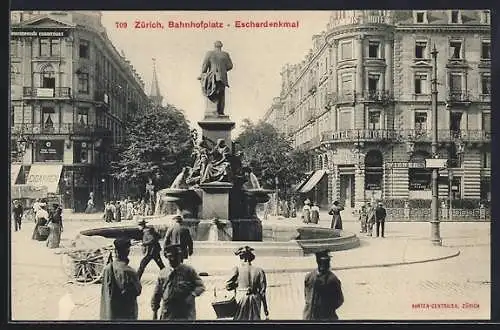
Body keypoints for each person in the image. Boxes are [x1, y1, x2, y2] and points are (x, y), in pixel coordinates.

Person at [151, 244, 206, 320]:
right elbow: (157, 293)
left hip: (185, 310)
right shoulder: (163, 273)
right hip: (168, 311)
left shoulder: (188, 271)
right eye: (170, 256)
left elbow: (200, 286)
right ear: (166, 257)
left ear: (180, 257)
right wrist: (155, 312)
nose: (173, 259)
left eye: (176, 256)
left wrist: (192, 295)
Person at [100, 237, 142, 320]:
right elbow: (137, 291)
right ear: (128, 251)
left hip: (109, 314)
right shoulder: (129, 271)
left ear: (115, 251)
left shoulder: (107, 268)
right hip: (125, 315)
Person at [225, 246, 269, 320]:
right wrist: (265, 308)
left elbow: (228, 286)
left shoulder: (237, 269)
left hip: (241, 297)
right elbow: (263, 292)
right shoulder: (259, 271)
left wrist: (236, 284)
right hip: (255, 298)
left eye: (240, 258)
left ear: (244, 258)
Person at [303, 250, 344, 320]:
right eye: (323, 262)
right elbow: (306, 296)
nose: (327, 265)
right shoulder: (309, 277)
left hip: (326, 317)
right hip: (309, 316)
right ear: (318, 262)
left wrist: (327, 308)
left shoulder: (332, 279)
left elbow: (339, 300)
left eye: (327, 262)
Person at [199, 40, 233, 116]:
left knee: (212, 93)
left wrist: (202, 74)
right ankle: (220, 112)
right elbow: (230, 66)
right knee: (221, 94)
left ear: (214, 46)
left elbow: (205, 65)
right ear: (221, 46)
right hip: (222, 78)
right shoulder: (225, 54)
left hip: (212, 76)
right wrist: (223, 70)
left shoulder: (209, 53)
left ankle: (213, 112)